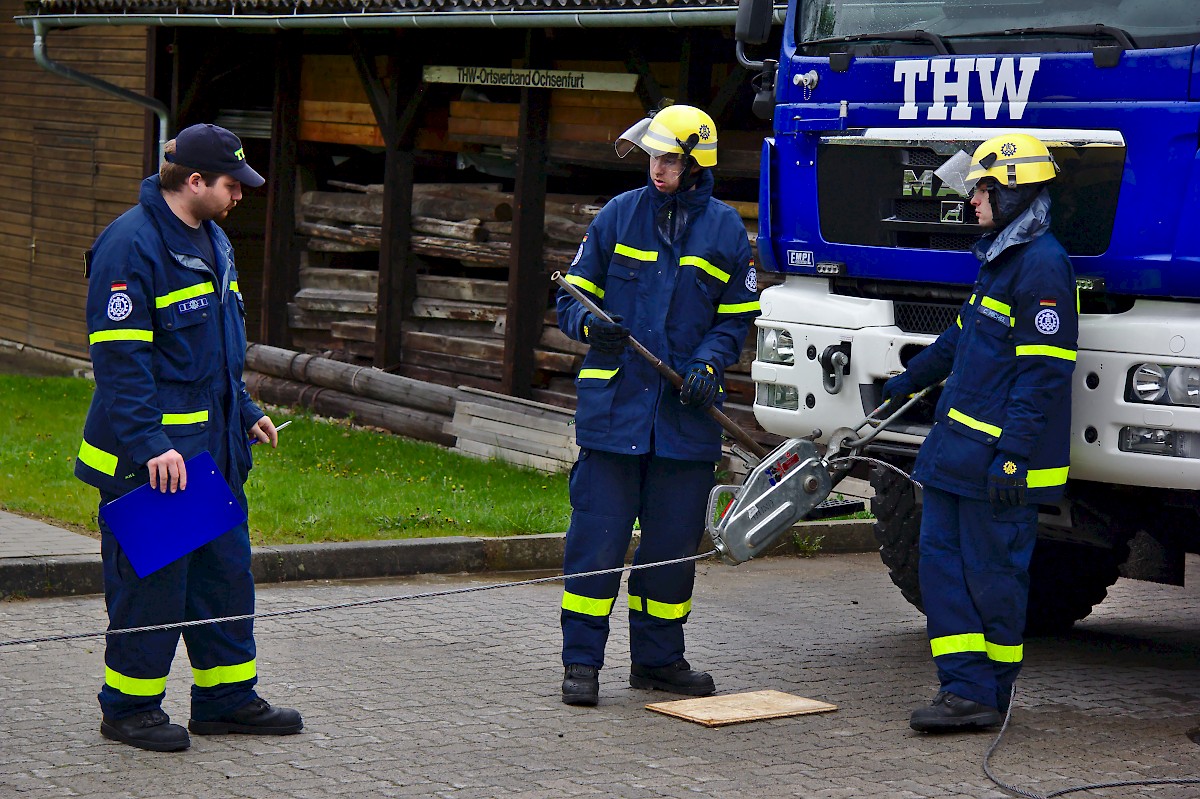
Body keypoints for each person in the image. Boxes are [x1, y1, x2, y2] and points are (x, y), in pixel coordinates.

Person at [75, 123, 302, 752]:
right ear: (194, 180)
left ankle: (226, 700)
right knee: (154, 588)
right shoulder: (131, 245)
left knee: (222, 580)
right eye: (232, 184)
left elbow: (213, 353)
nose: (240, 195)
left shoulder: (214, 239)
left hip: (210, 454)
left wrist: (247, 409)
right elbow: (121, 364)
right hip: (154, 463)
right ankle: (129, 709)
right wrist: (151, 446)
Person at [554, 104, 760, 706]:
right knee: (596, 545)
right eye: (653, 156)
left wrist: (707, 364)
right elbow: (572, 299)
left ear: (696, 163)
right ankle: (581, 665)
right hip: (614, 417)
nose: (657, 169)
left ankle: (659, 662)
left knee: (670, 553)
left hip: (683, 421)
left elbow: (735, 321)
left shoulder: (725, 232)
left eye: (669, 158)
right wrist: (597, 331)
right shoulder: (620, 215)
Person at [882, 133, 1078, 732]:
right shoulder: (1000, 260)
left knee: (992, 578)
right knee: (941, 569)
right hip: (955, 458)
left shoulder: (1043, 266)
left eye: (983, 188)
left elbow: (1043, 376)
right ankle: (962, 688)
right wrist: (907, 379)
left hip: (996, 464)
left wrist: (1013, 457)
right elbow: (960, 339)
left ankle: (987, 694)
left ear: (1016, 193)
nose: (972, 198)